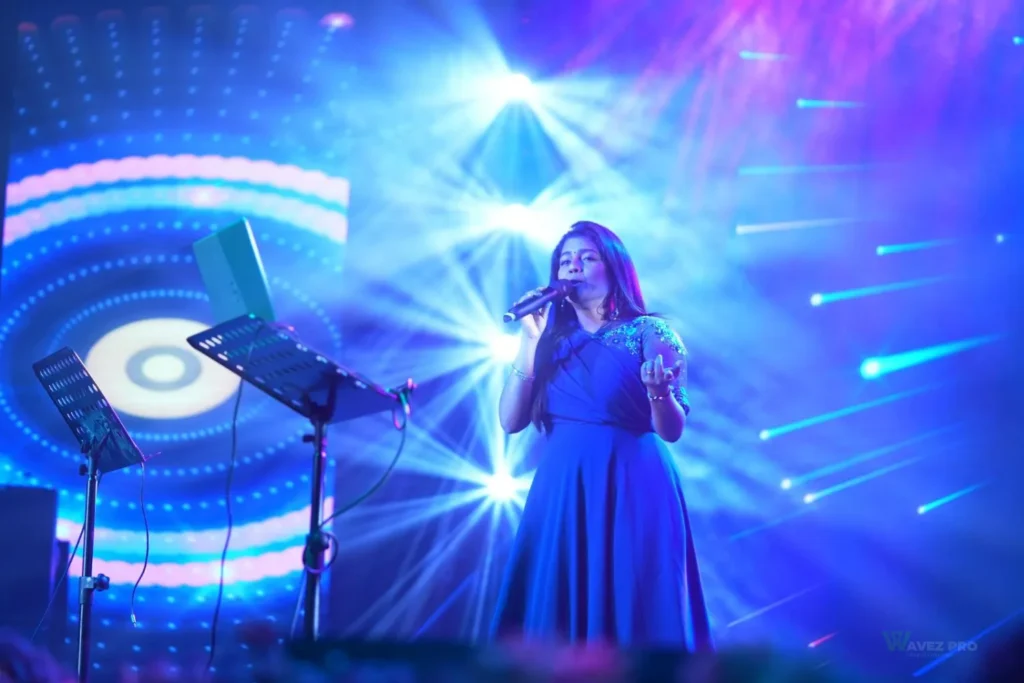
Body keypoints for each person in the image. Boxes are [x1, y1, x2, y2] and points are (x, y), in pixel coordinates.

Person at [491, 220, 712, 651]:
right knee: (557, 609)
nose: (573, 267)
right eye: (565, 260)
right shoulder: (548, 342)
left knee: (637, 603)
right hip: (564, 487)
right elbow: (510, 421)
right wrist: (529, 340)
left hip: (634, 484)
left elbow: (671, 430)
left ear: (614, 268)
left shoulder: (650, 332)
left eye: (587, 258)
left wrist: (659, 393)